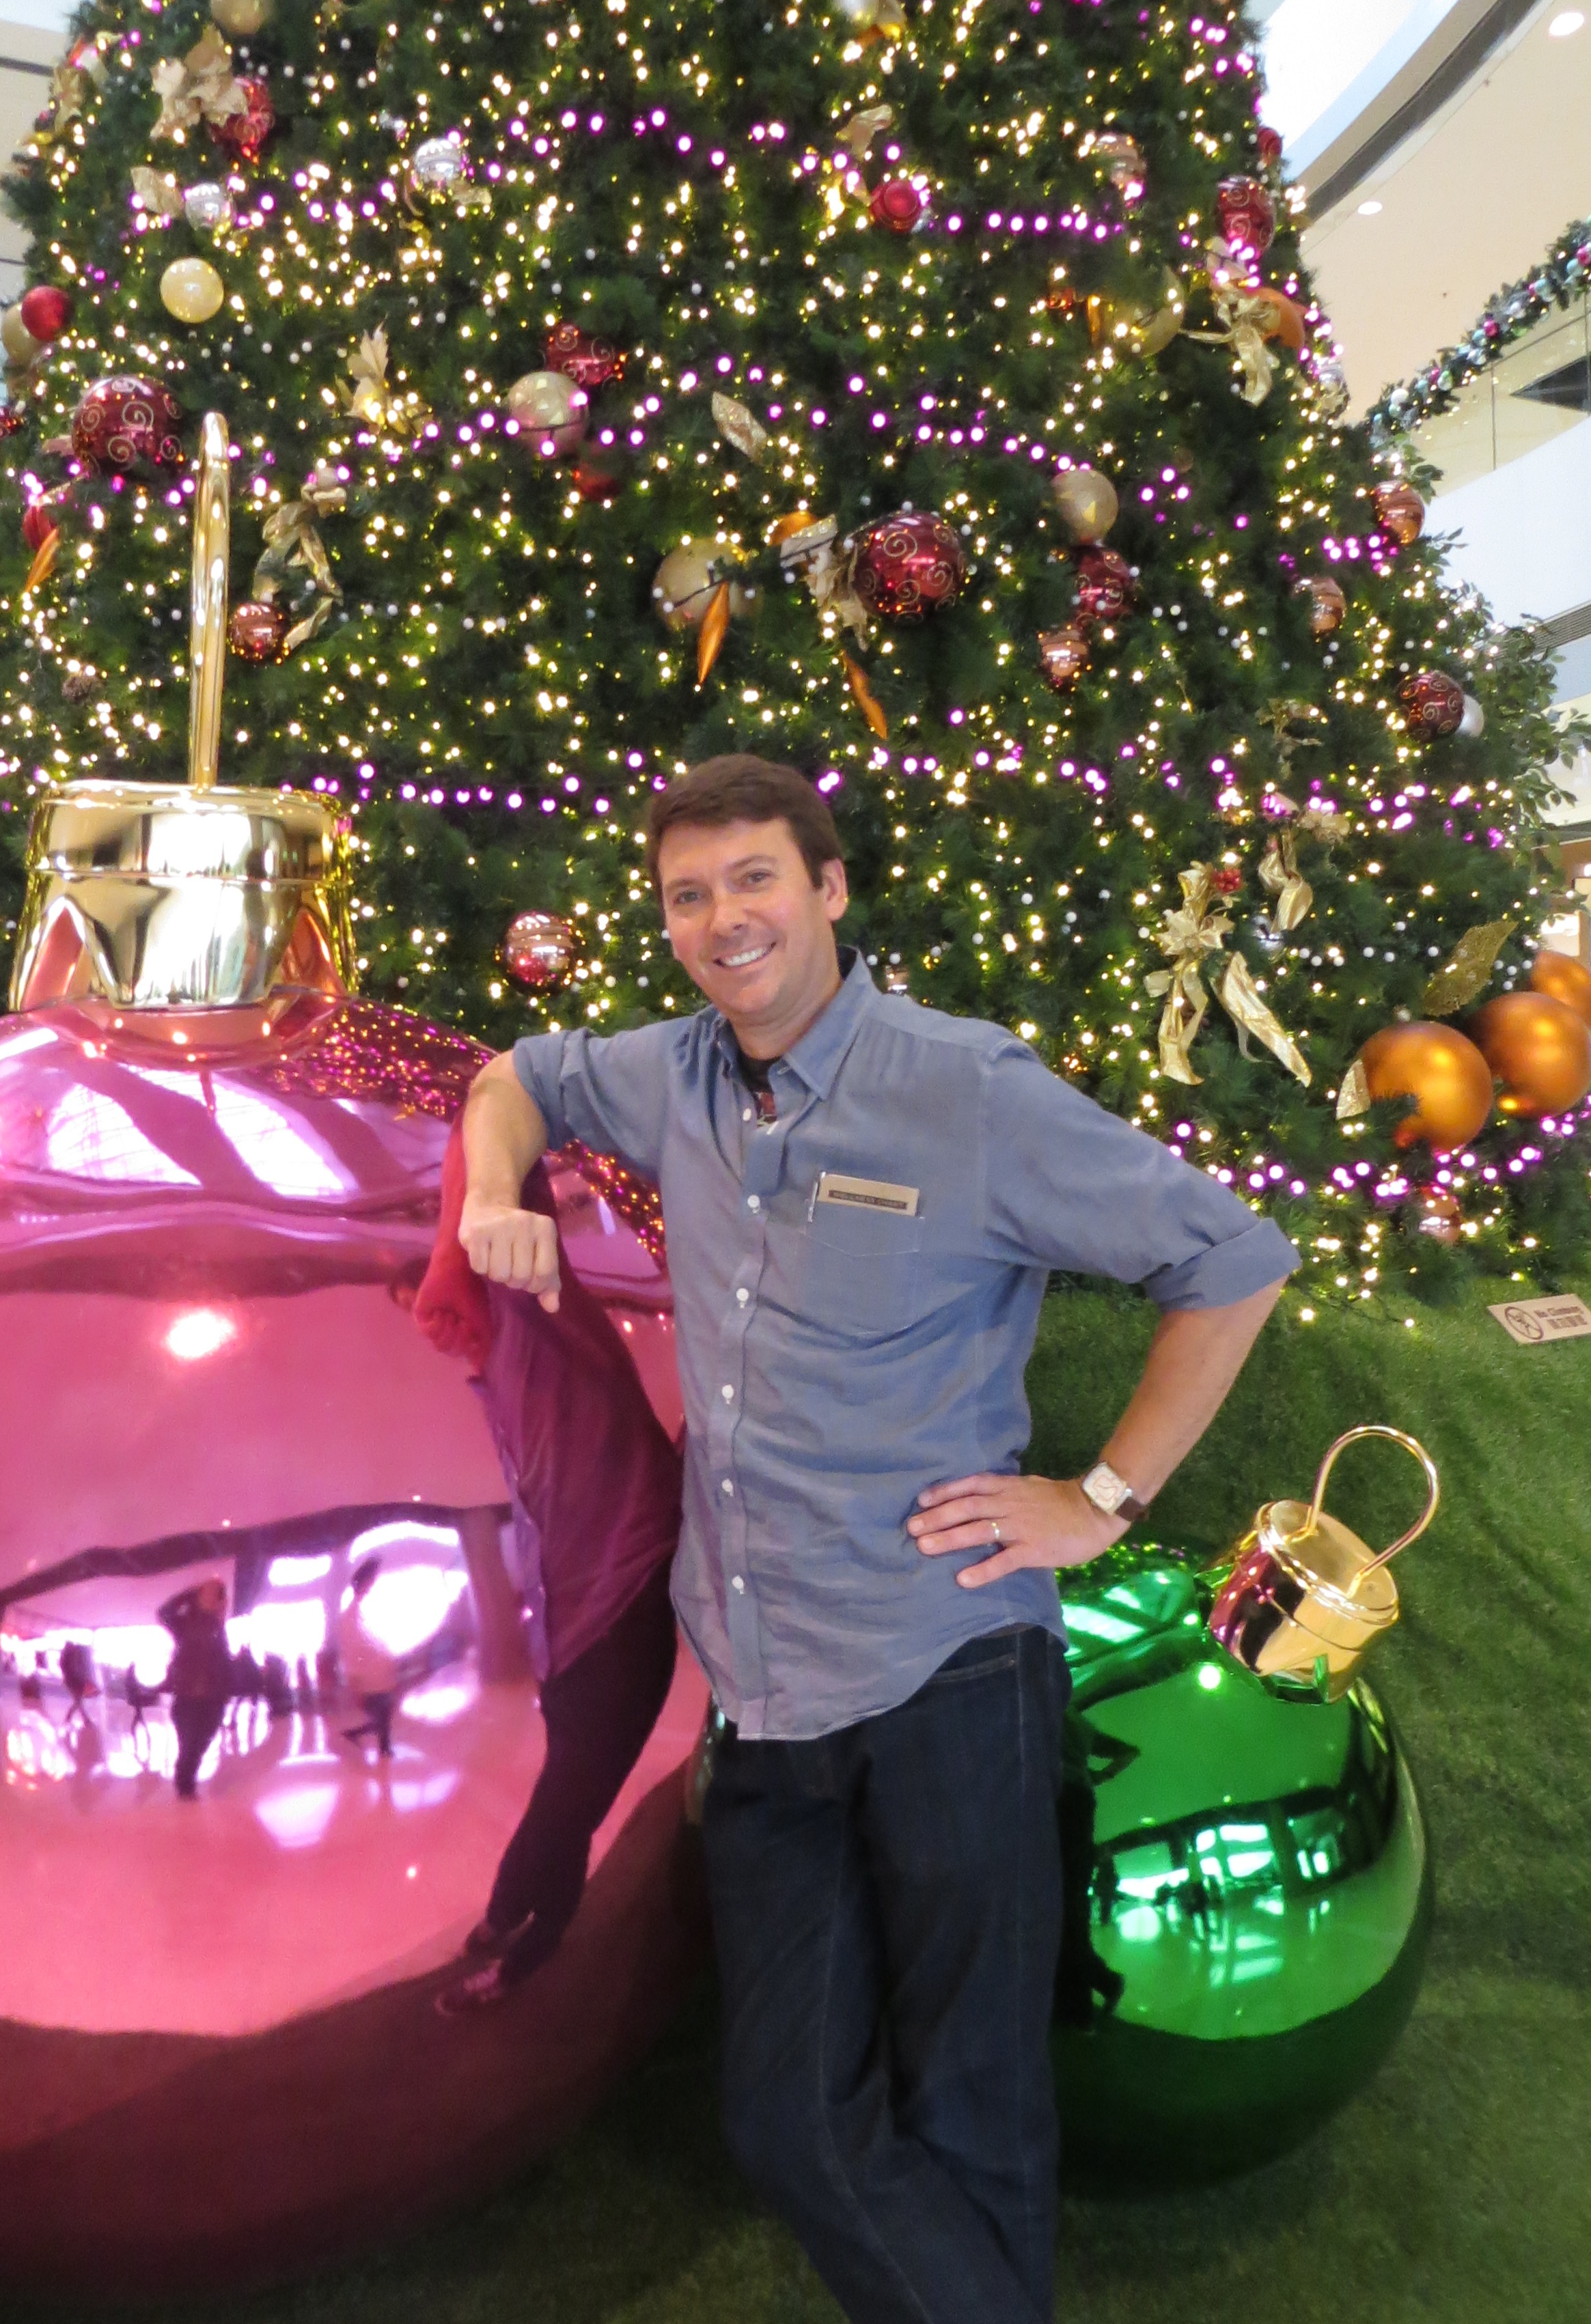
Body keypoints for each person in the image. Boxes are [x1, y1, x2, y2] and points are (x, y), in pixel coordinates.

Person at [456, 753, 1296, 2324]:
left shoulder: (963, 1088)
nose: (724, 918)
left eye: (754, 878)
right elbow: (516, 1073)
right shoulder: (669, 1074)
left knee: (971, 2108)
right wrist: (485, 1197)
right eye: (688, 894)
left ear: (828, 887)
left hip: (944, 1669)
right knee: (788, 2115)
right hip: (766, 1695)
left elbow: (1232, 1259)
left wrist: (1100, 1499)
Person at [414, 1125, 683, 2017]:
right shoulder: (496, 1381)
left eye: (433, 1306)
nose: (434, 1326)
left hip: (621, 1618)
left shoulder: (536, 1317)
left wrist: (450, 1255)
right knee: (562, 1809)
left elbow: (487, 1124)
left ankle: (515, 1945)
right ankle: (510, 1928)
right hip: (569, 1647)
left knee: (562, 1814)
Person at [158, 1579, 234, 1801]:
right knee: (190, 1745)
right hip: (188, 1698)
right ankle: (185, 1786)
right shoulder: (186, 1623)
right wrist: (190, 1592)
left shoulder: (218, 1626)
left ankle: (187, 1780)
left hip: (214, 1699)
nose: (212, 1599)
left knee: (201, 1744)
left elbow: (222, 1662)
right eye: (207, 1594)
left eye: (216, 1595)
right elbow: (164, 1612)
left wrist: (225, 1692)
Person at [337, 1555, 404, 1761]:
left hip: (379, 1676)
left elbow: (380, 1643)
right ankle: (384, 1751)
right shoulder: (351, 1616)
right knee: (382, 1716)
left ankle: (369, 1742)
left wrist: (391, 1670)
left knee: (383, 1716)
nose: (372, 1585)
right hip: (370, 1680)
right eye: (371, 1580)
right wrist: (355, 1682)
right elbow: (352, 1651)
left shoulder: (367, 1611)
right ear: (363, 1583)